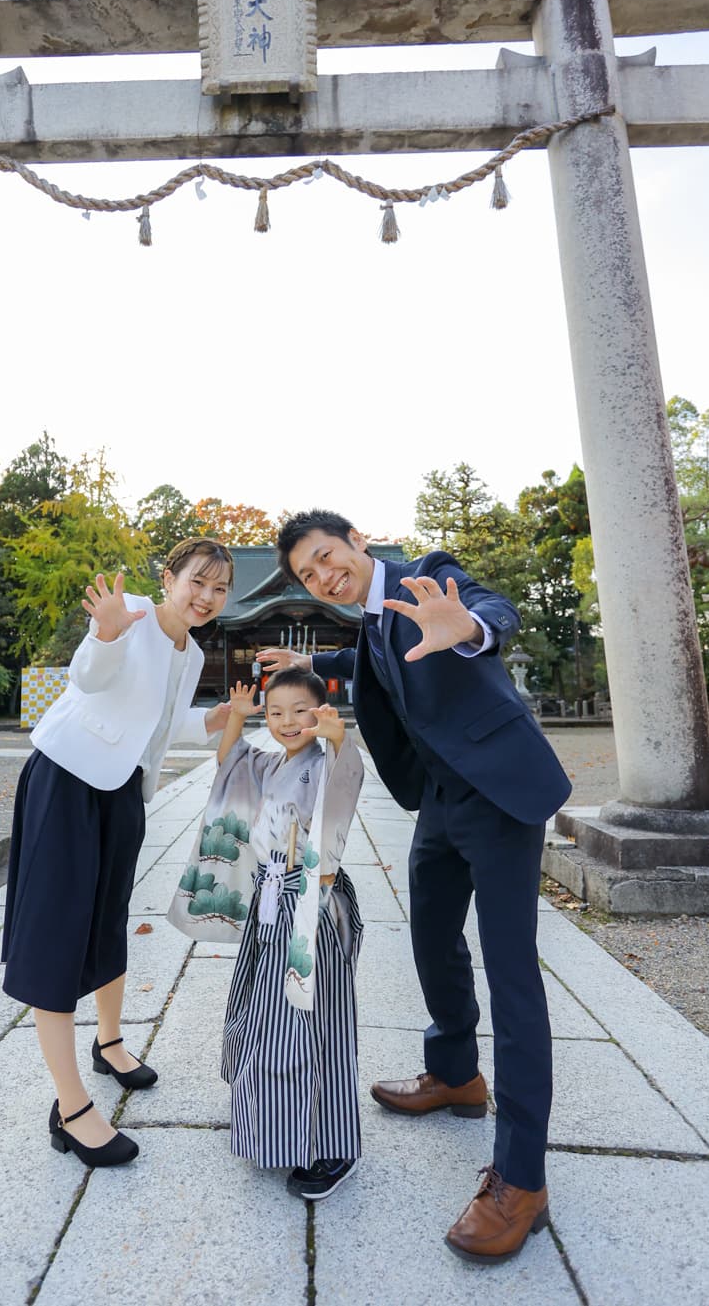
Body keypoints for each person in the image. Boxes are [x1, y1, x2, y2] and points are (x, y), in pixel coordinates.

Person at [258, 510, 571, 1263]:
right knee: (430, 938)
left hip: (498, 795)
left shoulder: (428, 575)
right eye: (308, 573)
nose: (324, 576)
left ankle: (521, 1178)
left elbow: (490, 609)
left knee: (510, 972)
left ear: (358, 542)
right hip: (439, 801)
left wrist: (469, 626)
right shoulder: (369, 623)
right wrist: (308, 662)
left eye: (328, 557)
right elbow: (370, 656)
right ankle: (457, 1074)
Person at [1, 538, 234, 1168]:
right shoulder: (129, 614)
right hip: (68, 777)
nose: (206, 597)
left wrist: (214, 720)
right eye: (197, 581)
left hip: (123, 790)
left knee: (108, 919)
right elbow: (88, 677)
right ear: (169, 577)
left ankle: (109, 1043)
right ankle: (71, 1107)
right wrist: (104, 634)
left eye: (219, 589)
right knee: (57, 931)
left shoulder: (191, 651)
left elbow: (159, 723)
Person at [168, 668, 364, 1200]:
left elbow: (348, 775)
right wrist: (237, 716)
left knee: (311, 1021)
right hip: (270, 902)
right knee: (267, 1016)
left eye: (300, 710)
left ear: (320, 711)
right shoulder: (270, 763)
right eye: (276, 713)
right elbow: (228, 761)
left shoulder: (325, 764)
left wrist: (338, 737)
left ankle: (333, 1144)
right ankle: (272, 1124)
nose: (287, 722)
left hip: (309, 904)